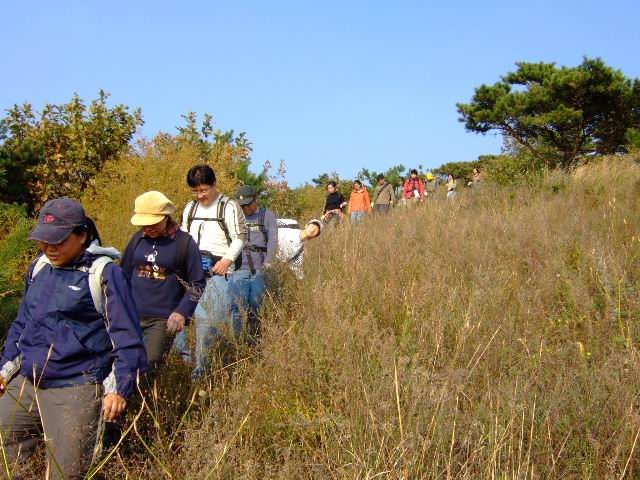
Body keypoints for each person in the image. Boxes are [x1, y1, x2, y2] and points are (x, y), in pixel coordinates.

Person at [0, 198, 146, 480]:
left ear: (82, 236)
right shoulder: (39, 267)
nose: (50, 248)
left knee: (66, 471)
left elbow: (127, 337)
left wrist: (119, 389)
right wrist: (5, 369)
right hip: (28, 380)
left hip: (76, 384)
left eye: (59, 241)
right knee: (5, 445)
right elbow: (22, 323)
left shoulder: (104, 274)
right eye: (44, 241)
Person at [120, 191, 205, 382]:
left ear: (166, 217)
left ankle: (147, 399)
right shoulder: (137, 239)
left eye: (153, 224)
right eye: (144, 224)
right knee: (124, 365)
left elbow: (197, 283)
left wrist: (182, 312)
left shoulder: (184, 243)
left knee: (148, 367)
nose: (148, 228)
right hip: (131, 315)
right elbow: (122, 274)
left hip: (162, 320)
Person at [180, 165, 247, 378]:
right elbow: (183, 235)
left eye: (204, 190)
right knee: (178, 320)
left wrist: (227, 260)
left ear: (214, 185)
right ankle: (182, 364)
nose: (200, 195)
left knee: (207, 323)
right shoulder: (190, 208)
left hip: (218, 273)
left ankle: (201, 373)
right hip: (192, 271)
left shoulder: (229, 206)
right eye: (195, 191)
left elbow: (240, 236)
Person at [230, 185, 278, 339]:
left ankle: (255, 339)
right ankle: (237, 340)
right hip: (238, 269)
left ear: (255, 199)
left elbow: (273, 241)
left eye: (248, 204)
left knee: (257, 305)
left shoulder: (267, 215)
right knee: (237, 306)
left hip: (259, 269)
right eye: (242, 205)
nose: (245, 208)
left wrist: (268, 262)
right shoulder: (235, 217)